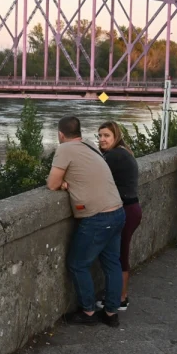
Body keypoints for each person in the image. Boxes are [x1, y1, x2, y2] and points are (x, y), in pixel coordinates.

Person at [48, 116, 126, 327]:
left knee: (77, 264)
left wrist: (64, 183)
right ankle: (111, 313)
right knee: (112, 264)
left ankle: (88, 311)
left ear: (60, 134)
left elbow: (52, 183)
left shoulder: (64, 149)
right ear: (80, 132)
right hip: (118, 212)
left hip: (97, 217)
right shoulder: (90, 145)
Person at [98, 121, 143, 307]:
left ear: (116, 136)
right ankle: (119, 294)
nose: (102, 139)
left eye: (106, 135)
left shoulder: (114, 156)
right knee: (119, 253)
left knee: (119, 255)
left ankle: (120, 298)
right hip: (131, 209)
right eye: (100, 135)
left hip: (126, 210)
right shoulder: (123, 151)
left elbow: (94, 178)